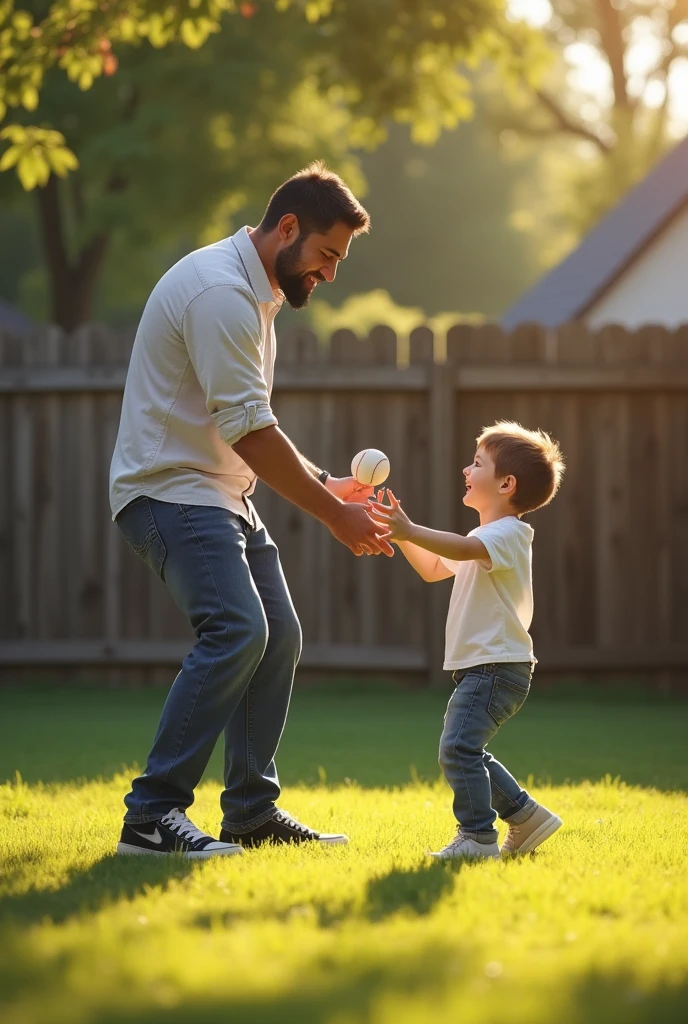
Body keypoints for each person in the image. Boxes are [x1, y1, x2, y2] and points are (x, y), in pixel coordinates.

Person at [109, 162, 393, 859]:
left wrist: (329, 481)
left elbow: (245, 422)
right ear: (288, 229)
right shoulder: (221, 293)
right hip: (170, 491)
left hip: (218, 492)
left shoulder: (254, 290)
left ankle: (249, 813)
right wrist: (333, 511)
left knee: (279, 636)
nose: (330, 274)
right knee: (237, 630)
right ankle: (150, 818)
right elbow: (250, 431)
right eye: (327, 255)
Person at [369, 421, 565, 860]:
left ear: (506, 483)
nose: (465, 469)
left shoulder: (509, 533)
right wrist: (400, 535)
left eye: (476, 464)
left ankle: (477, 838)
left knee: (458, 748)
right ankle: (526, 816)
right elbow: (434, 568)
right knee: (465, 749)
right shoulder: (484, 538)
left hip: (497, 667)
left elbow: (457, 549)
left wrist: (411, 528)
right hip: (489, 667)